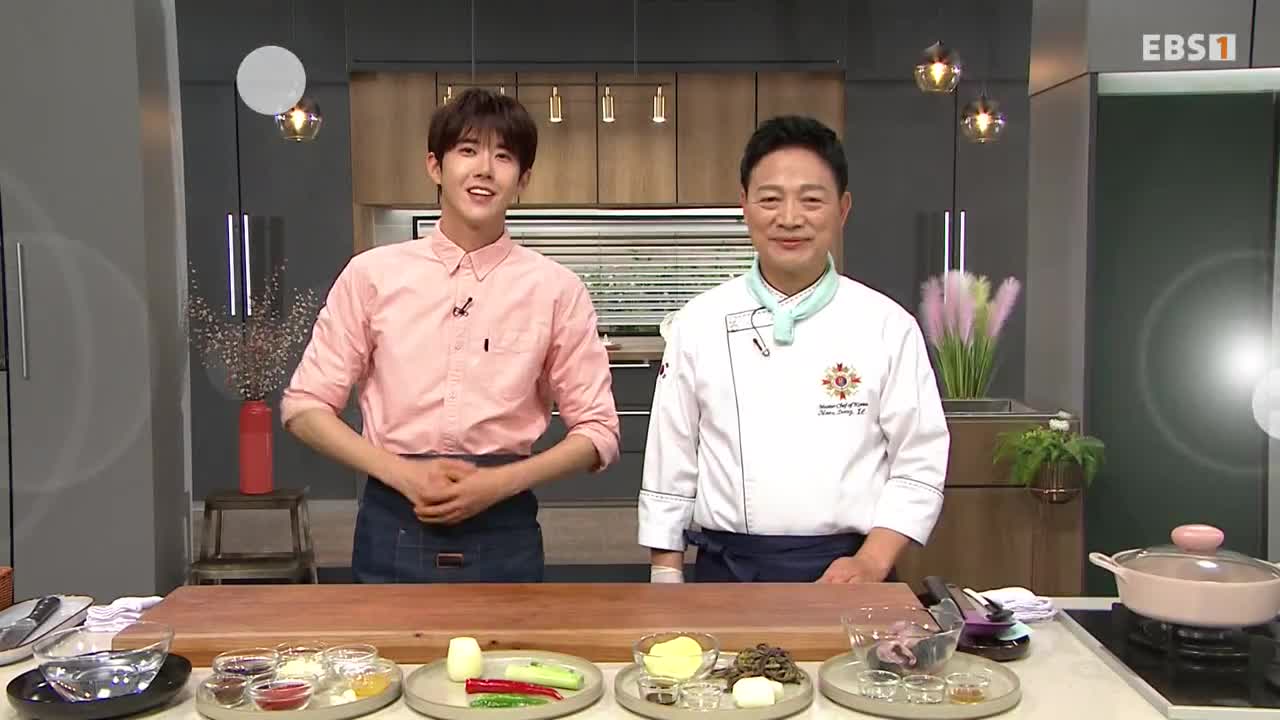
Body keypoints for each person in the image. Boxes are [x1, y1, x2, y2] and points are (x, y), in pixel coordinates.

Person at [282, 88, 620, 583]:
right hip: (391, 516)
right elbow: (304, 407)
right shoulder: (371, 275)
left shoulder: (556, 290)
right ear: (435, 166)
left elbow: (599, 431)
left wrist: (498, 483)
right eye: (467, 150)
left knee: (510, 640)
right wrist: (403, 474)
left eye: (503, 156)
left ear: (523, 180)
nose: (484, 169)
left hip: (505, 523)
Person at [638, 115, 949, 584]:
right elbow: (671, 458)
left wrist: (871, 561)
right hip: (728, 571)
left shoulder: (887, 326)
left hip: (849, 573)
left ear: (842, 209)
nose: (789, 218)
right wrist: (666, 578)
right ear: (744, 207)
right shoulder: (698, 323)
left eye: (811, 200)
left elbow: (919, 460)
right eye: (770, 199)